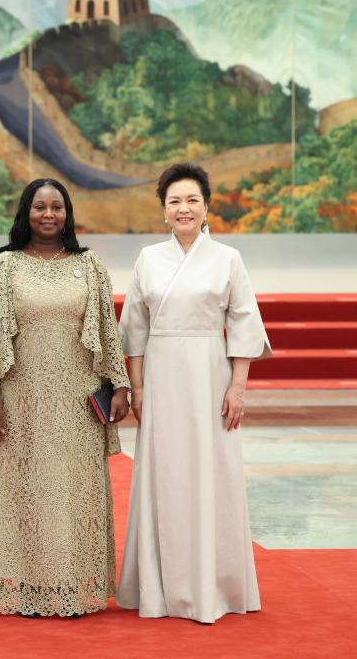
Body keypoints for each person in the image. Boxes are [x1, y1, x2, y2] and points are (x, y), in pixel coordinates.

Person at [0, 178, 131, 618]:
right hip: (21, 398)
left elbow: (108, 331)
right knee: (24, 492)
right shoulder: (4, 267)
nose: (48, 214)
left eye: (56, 207)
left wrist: (120, 385)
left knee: (76, 492)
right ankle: (27, 585)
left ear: (67, 213)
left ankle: (73, 585)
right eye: (39, 206)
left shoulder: (90, 265)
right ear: (26, 211)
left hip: (78, 401)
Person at [116, 162, 272, 624]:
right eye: (174, 201)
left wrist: (238, 388)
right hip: (161, 375)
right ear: (163, 210)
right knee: (164, 472)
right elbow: (134, 328)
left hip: (210, 375)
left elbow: (243, 321)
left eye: (192, 200)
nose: (183, 209)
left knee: (211, 472)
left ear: (206, 207)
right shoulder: (148, 258)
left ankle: (215, 587)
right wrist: (137, 387)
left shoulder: (228, 258)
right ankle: (160, 586)